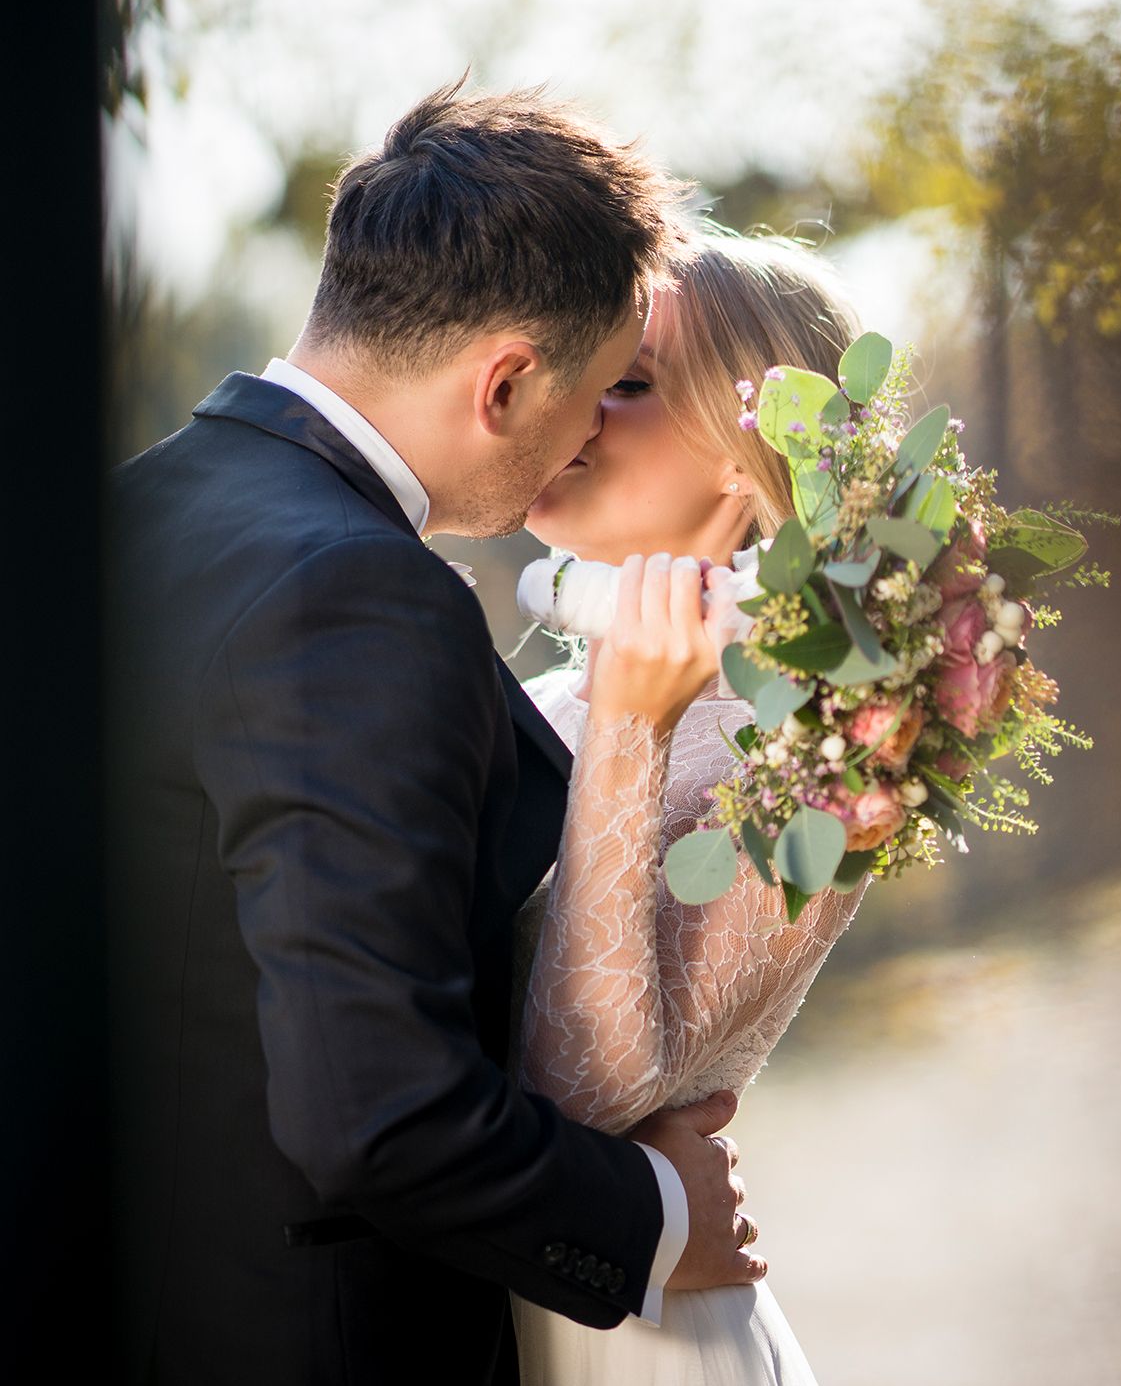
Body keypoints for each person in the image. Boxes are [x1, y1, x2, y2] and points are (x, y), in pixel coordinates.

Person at [107, 84, 766, 1383]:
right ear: (508, 380)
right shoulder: (353, 592)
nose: (583, 442)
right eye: (593, 395)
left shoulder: (129, 515)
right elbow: (378, 1111)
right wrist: (662, 1219)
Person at [507, 229, 873, 1385]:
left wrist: (630, 722)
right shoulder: (545, 695)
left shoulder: (824, 747)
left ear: (748, 450)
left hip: (637, 1334)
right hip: (490, 1297)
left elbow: (592, 1091)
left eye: (625, 383)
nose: (575, 407)